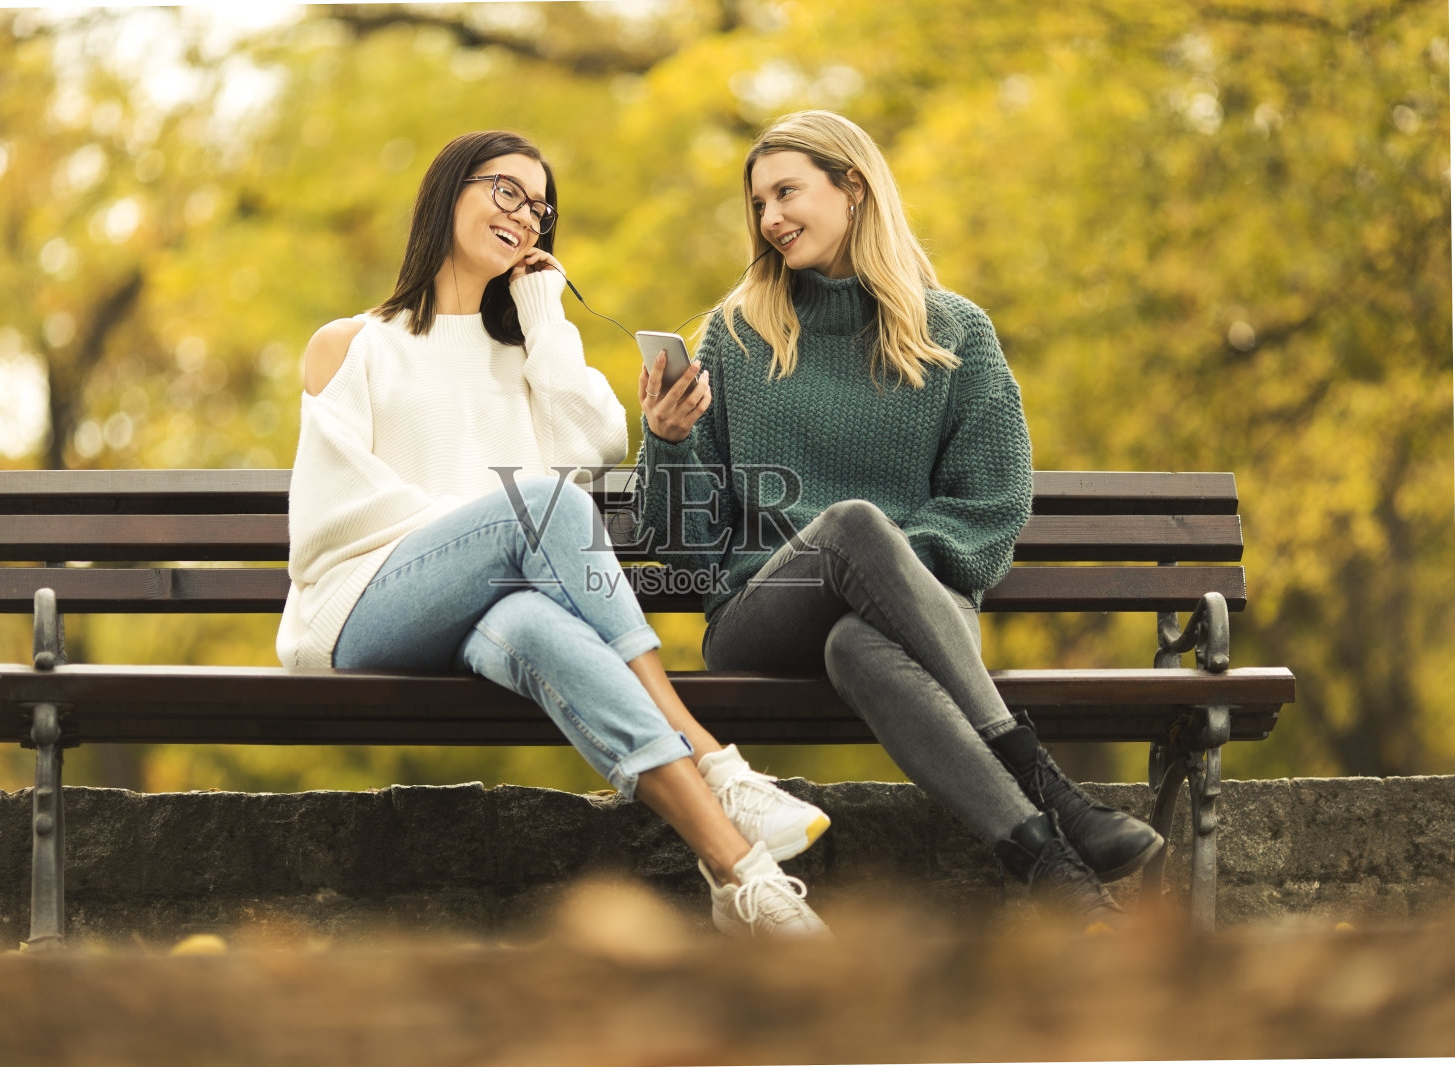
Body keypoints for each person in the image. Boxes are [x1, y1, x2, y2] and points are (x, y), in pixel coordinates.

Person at [276, 130, 830, 938]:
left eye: (540, 206)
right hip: (361, 607)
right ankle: (716, 759)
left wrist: (542, 312)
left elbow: (596, 442)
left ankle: (743, 880)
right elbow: (334, 517)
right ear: (448, 190)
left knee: (538, 621)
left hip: (487, 612)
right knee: (542, 509)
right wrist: (489, 535)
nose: (526, 214)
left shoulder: (528, 354)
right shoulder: (353, 345)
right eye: (507, 190)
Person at [633, 110, 1163, 925]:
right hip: (763, 612)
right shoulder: (735, 337)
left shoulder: (955, 333)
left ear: (853, 186)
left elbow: (990, 508)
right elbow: (682, 550)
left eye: (786, 192)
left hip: (916, 617)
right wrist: (666, 441)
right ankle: (1042, 774)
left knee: (858, 633)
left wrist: (884, 574)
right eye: (759, 204)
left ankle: (1054, 869)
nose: (770, 218)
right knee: (850, 527)